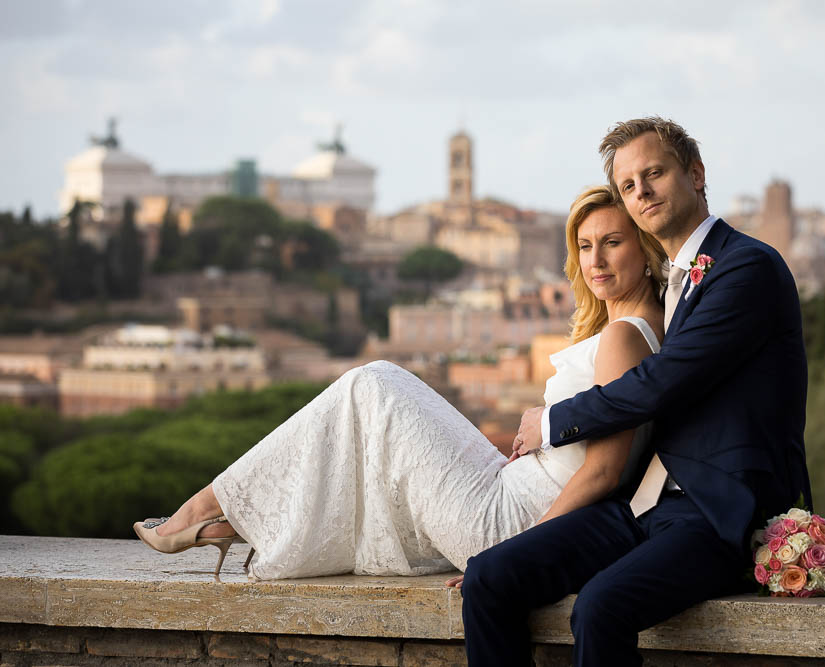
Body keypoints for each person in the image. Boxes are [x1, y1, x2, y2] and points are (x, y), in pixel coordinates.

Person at [133, 185, 666, 581]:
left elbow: (603, 472)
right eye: (585, 245)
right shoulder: (642, 331)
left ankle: (205, 512)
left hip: (512, 523)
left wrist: (514, 558)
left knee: (373, 384)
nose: (594, 260)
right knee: (374, 389)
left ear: (644, 247)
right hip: (515, 499)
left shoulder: (623, 337)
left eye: (612, 242)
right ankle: (231, 517)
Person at [460, 117, 813, 666]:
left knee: (600, 606)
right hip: (644, 505)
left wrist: (550, 422)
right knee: (489, 574)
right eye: (628, 185)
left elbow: (660, 383)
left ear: (696, 174)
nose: (641, 191)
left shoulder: (747, 268)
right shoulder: (675, 280)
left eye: (654, 173)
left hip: (718, 511)